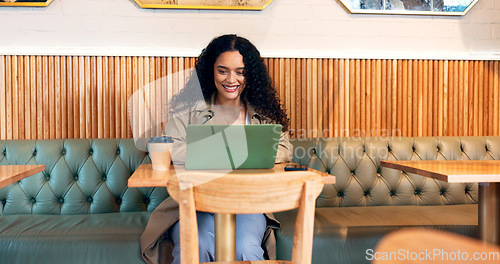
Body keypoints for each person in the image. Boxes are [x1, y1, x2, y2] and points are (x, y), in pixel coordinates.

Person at [140, 34, 293, 264]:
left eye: (240, 71)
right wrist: (228, 152)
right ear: (211, 71)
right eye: (223, 70)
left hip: (248, 204)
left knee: (245, 248)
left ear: (250, 74)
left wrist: (230, 153)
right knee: (197, 244)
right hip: (194, 203)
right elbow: (171, 147)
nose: (232, 79)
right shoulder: (188, 111)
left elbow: (283, 147)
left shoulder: (262, 113)